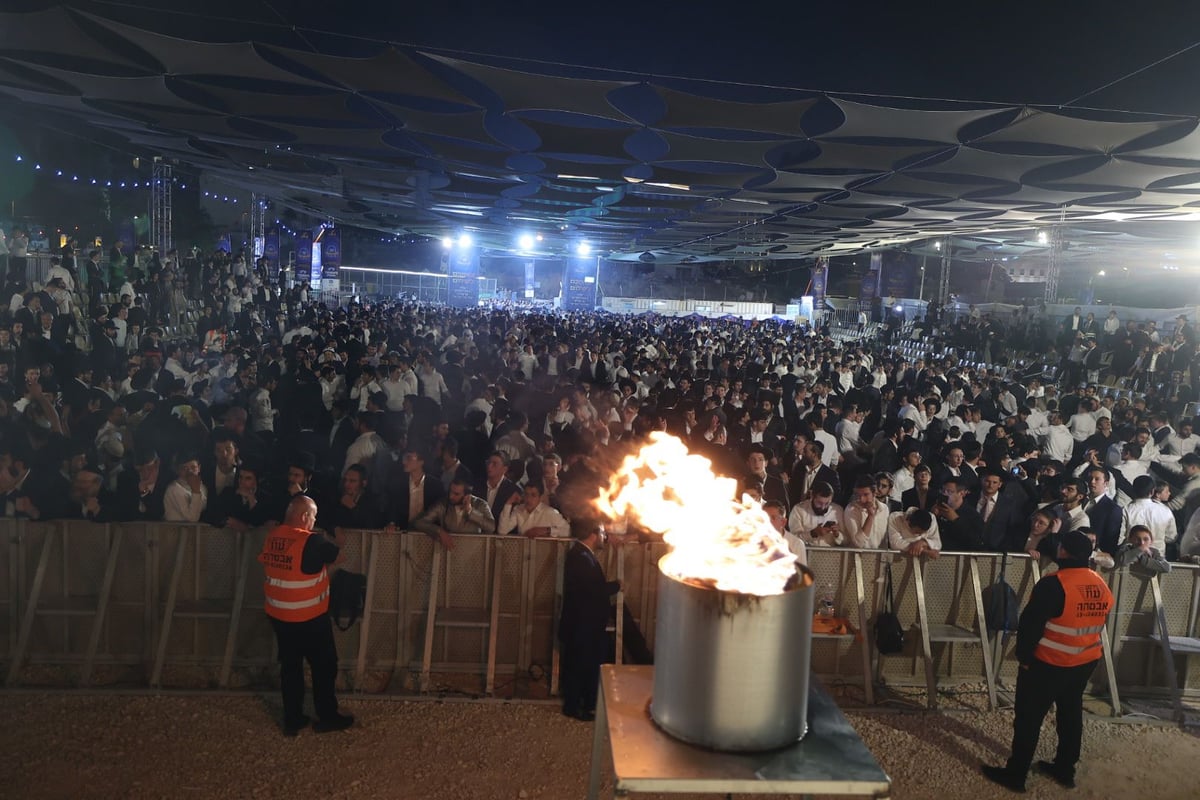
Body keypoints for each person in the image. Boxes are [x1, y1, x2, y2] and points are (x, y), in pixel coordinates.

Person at [982, 529, 1114, 792]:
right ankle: (1065, 769)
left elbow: (1030, 626)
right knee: (1070, 715)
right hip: (1084, 662)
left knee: (1029, 719)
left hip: (1048, 663)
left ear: (1063, 552)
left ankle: (1016, 774)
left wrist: (1025, 659)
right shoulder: (1099, 582)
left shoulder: (1054, 583)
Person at [258, 495, 353, 736]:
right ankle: (327, 716)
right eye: (313, 516)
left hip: (279, 616)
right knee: (324, 666)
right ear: (304, 516)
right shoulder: (312, 541)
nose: (314, 521)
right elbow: (339, 556)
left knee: (291, 668)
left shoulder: (273, 536)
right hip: (309, 617)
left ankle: (293, 720)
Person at [557, 517, 620, 721]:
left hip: (585, 626)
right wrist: (616, 586)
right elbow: (593, 591)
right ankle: (573, 707)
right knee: (579, 666)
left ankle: (583, 703)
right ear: (593, 535)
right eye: (602, 533)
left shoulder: (583, 555)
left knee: (584, 665)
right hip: (582, 626)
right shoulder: (581, 558)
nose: (604, 537)